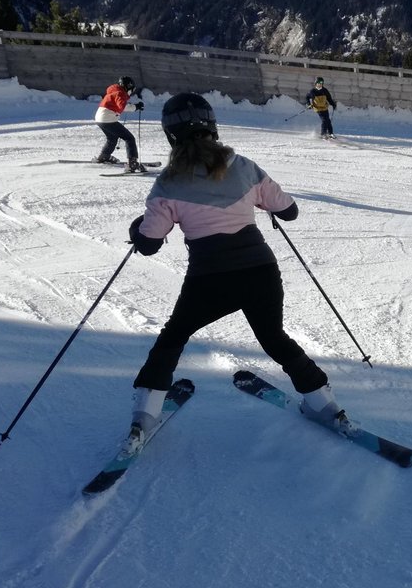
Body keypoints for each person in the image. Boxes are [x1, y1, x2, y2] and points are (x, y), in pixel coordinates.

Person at [122, 92, 352, 453]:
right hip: (260, 272)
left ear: (170, 135)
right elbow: (289, 211)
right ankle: (325, 405)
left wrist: (139, 228)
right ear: (213, 127)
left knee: (173, 338)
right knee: (274, 338)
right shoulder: (243, 166)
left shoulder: (168, 182)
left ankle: (145, 417)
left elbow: (149, 244)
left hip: (209, 279)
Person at [94, 75, 145, 172]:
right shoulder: (120, 93)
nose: (131, 92)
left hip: (100, 118)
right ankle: (132, 163)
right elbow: (123, 106)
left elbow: (119, 105)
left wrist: (134, 106)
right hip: (108, 118)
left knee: (112, 138)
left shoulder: (114, 91)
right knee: (129, 138)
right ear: (128, 87)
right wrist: (136, 107)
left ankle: (104, 156)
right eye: (132, 90)